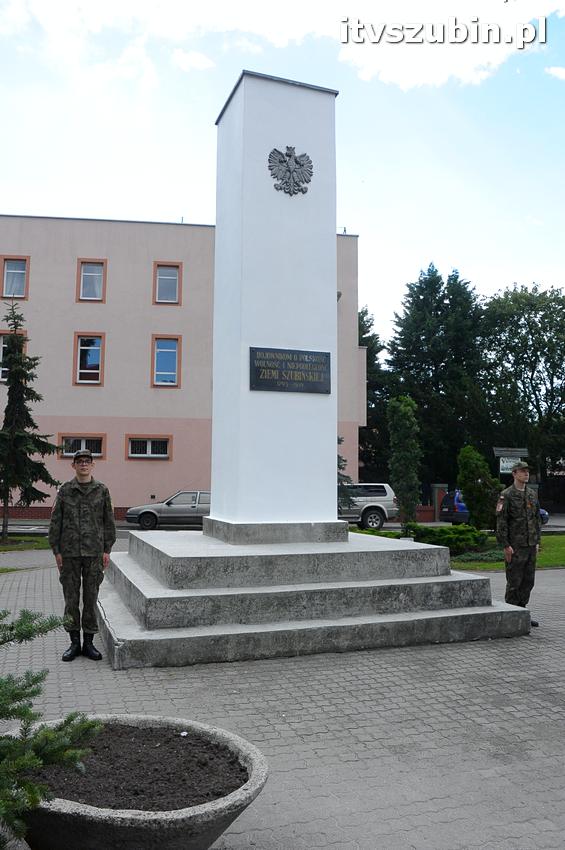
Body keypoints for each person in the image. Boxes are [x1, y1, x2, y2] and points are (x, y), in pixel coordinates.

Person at [48, 448, 116, 661]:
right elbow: (56, 521)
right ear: (74, 465)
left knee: (90, 598)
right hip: (69, 553)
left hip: (94, 553)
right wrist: (56, 551)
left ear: (92, 465)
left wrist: (107, 550)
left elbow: (108, 521)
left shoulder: (101, 490)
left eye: (87, 461)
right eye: (80, 461)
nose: (84, 464)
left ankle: (88, 643)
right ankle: (74, 643)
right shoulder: (65, 491)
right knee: (71, 599)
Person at [496, 461, 542, 628]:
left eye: (527, 471)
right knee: (514, 582)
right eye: (522, 471)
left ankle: (522, 613)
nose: (526, 474)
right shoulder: (506, 495)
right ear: (514, 474)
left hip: (530, 545)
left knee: (528, 581)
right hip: (515, 547)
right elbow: (501, 522)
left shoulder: (531, 494)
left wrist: (537, 541)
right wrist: (506, 545)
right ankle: (510, 616)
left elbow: (536, 519)